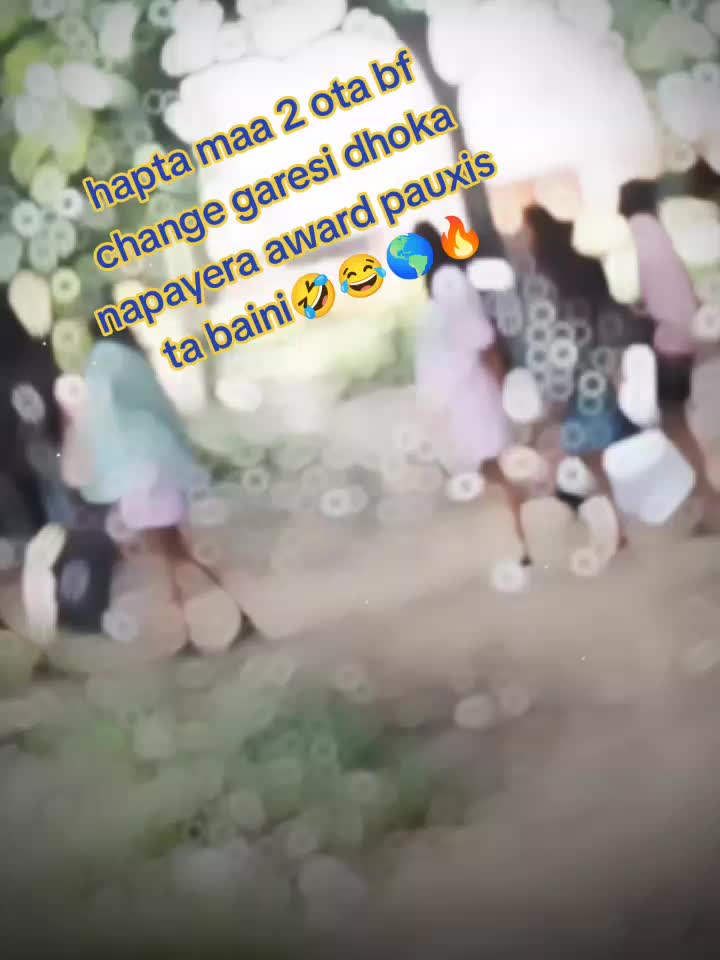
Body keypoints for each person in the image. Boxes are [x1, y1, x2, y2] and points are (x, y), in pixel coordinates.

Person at [412, 220, 524, 542]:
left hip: (475, 393)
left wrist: (502, 384)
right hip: (469, 393)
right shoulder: (448, 287)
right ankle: (524, 521)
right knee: (492, 463)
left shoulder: (448, 289)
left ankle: (523, 528)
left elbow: (483, 343)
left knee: (496, 462)